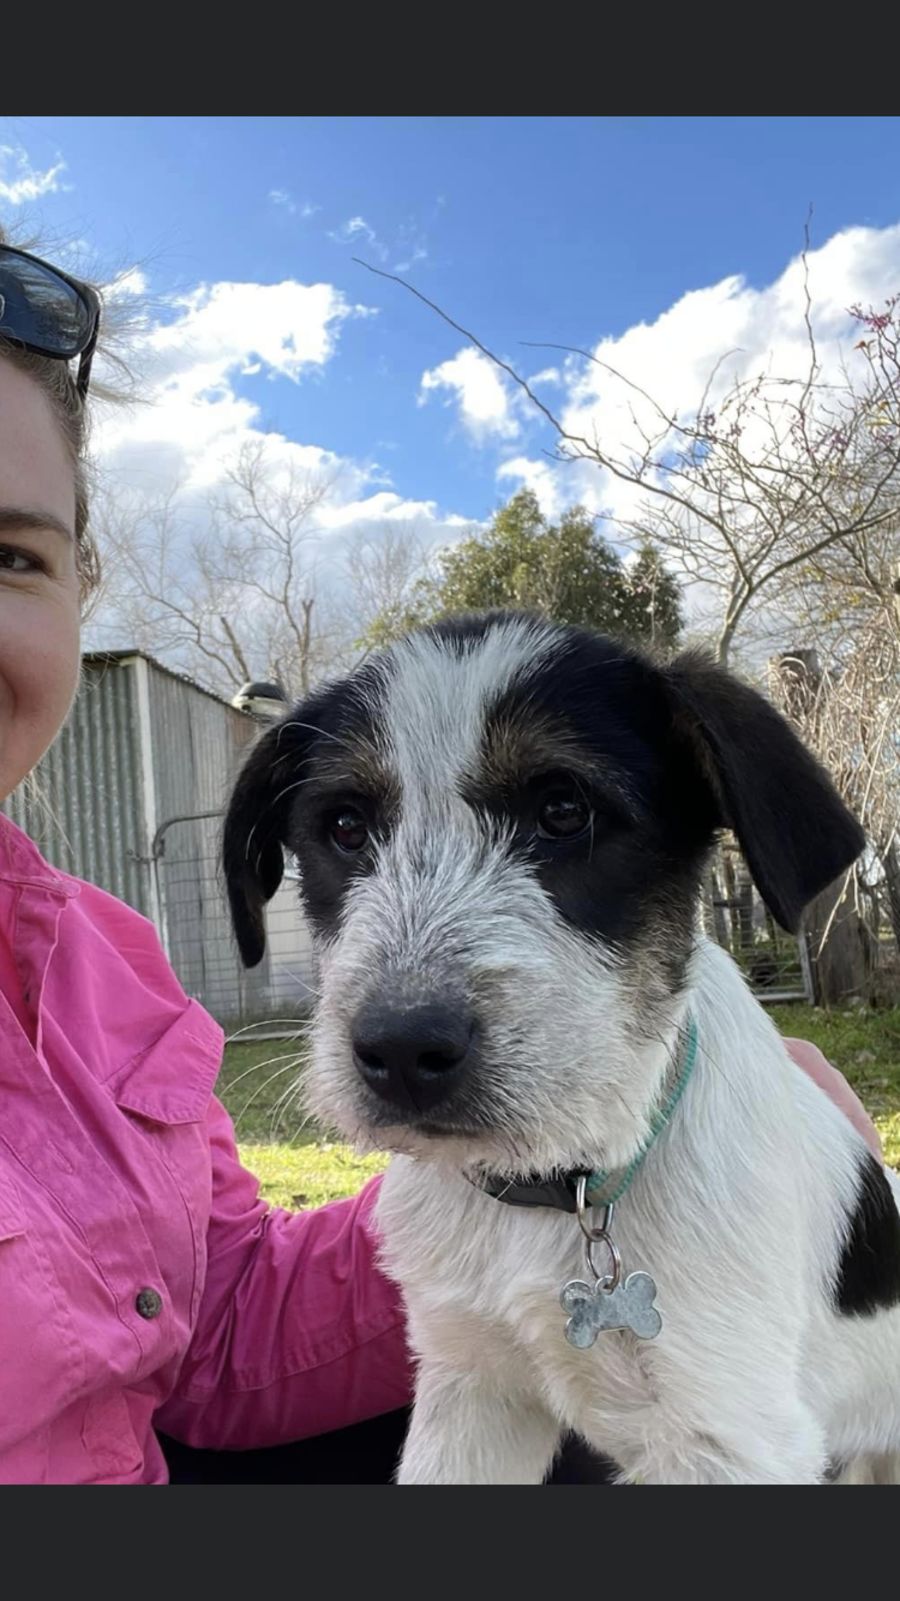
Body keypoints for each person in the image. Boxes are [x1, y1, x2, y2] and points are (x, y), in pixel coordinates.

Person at [0, 237, 884, 1485]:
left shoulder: (101, 968)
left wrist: (536, 1213)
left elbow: (219, 1316)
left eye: (562, 812)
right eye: (349, 829)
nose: (404, 1007)